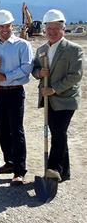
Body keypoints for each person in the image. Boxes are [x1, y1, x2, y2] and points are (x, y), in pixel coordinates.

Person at [32, 9, 83, 182]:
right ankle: (64, 171)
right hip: (48, 99)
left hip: (66, 98)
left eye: (56, 28)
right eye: (49, 28)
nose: (52, 32)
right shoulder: (41, 49)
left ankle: (53, 168)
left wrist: (54, 89)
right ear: (44, 29)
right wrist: (39, 72)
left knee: (59, 132)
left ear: (63, 28)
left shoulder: (73, 49)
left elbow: (75, 76)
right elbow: (34, 69)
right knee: (58, 132)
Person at [0, 9, 33, 185]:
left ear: (11, 26)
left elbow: (27, 68)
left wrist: (6, 76)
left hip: (14, 91)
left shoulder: (22, 45)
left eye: (7, 26)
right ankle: (9, 162)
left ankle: (19, 170)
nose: (4, 29)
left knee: (16, 130)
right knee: (2, 129)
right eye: (1, 26)